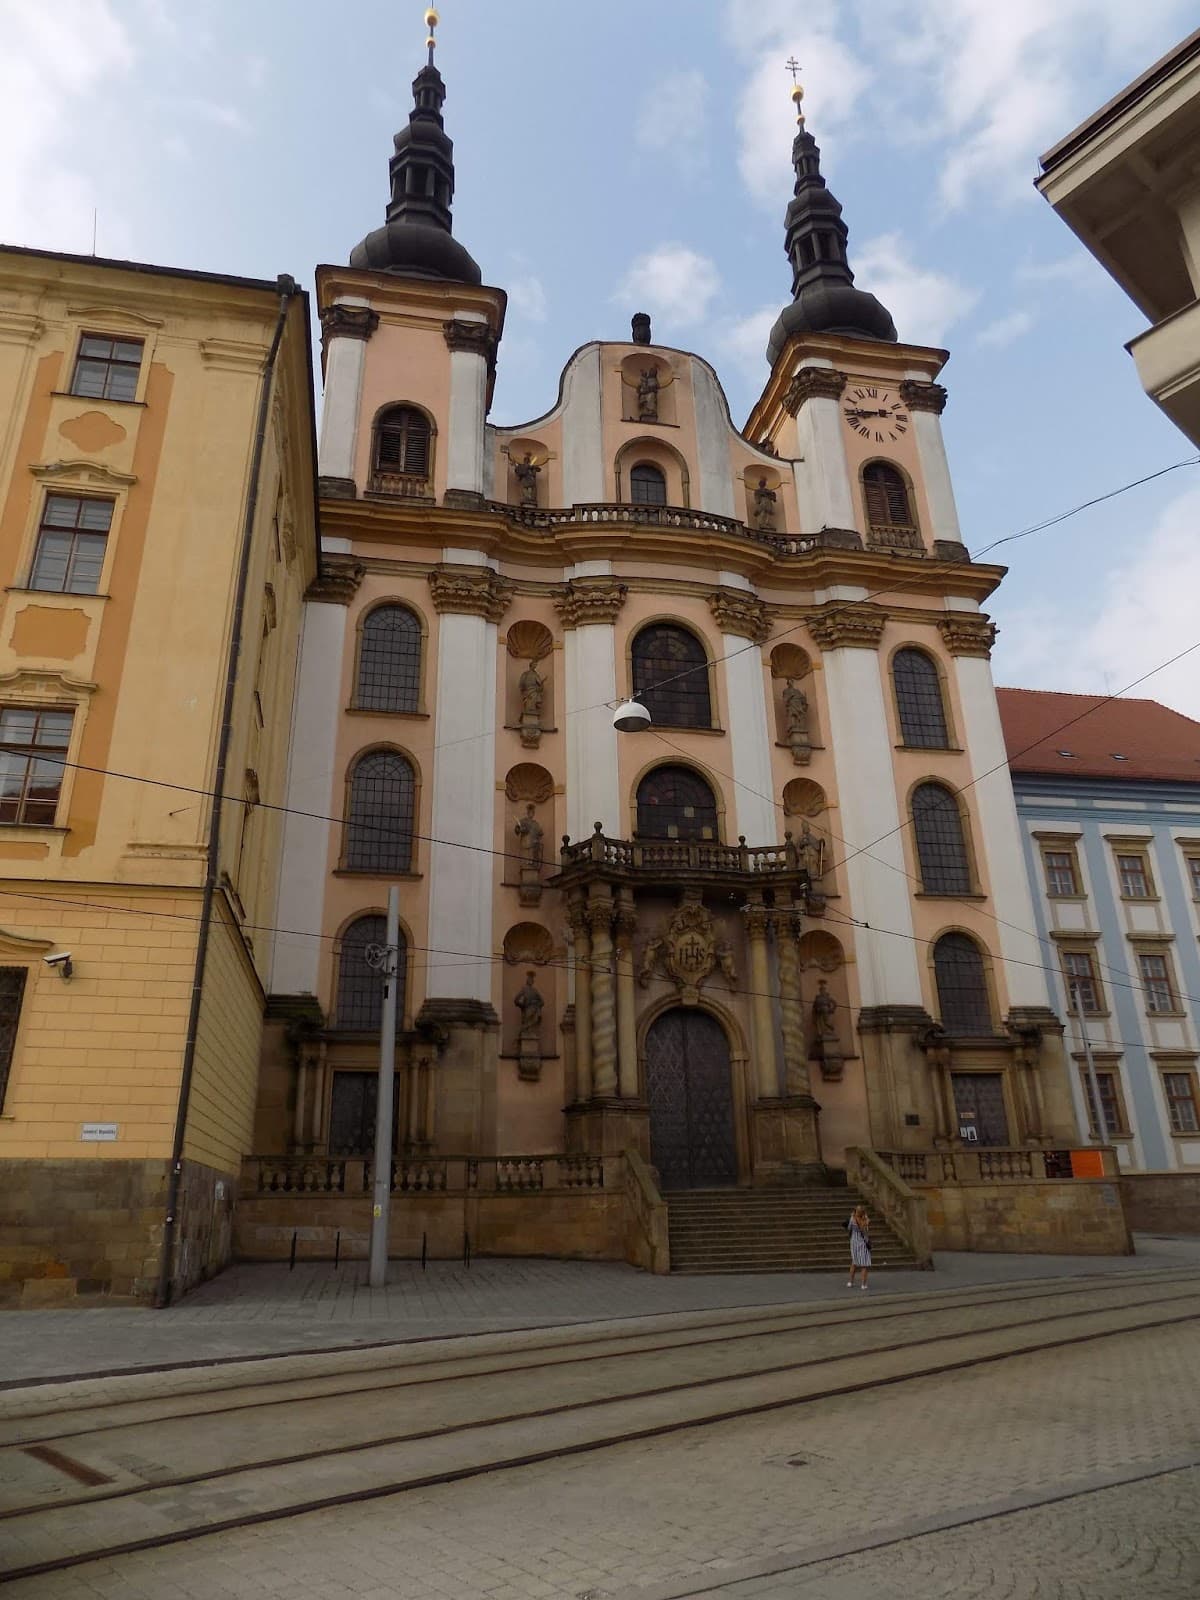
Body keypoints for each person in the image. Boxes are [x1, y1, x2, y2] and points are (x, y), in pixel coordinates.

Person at [846, 1204, 872, 1290]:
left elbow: (849, 1229)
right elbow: (865, 1231)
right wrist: (867, 1221)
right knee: (864, 1265)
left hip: (854, 1243)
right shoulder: (865, 1220)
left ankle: (850, 1282)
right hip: (863, 1244)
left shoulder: (852, 1219)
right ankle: (863, 1284)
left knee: (854, 1263)